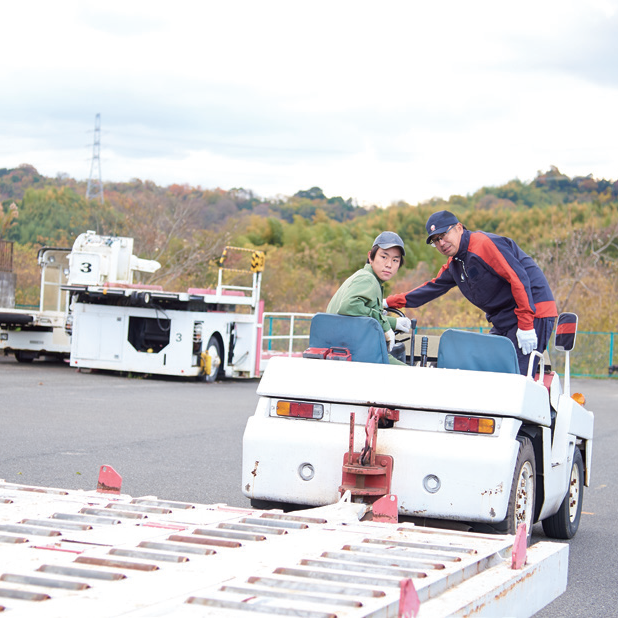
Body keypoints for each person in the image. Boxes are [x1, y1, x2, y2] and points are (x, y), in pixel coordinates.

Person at [385, 211, 557, 375]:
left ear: (459, 228)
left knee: (514, 380)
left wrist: (526, 325)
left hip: (532, 312)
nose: (441, 243)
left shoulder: (482, 244)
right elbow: (430, 289)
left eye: (443, 235)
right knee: (484, 369)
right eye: (435, 241)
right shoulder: (455, 263)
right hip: (505, 319)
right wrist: (388, 302)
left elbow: (518, 279)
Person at [327, 231, 411, 365]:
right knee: (415, 374)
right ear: (370, 257)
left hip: (344, 349)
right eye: (384, 257)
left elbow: (361, 315)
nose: (389, 264)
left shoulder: (363, 276)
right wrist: (384, 324)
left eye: (395, 260)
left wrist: (394, 323)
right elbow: (349, 306)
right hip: (356, 354)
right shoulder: (368, 279)